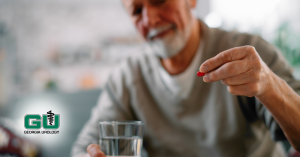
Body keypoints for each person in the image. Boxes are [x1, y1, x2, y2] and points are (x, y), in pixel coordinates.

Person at [71, 0, 300, 156]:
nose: (150, 19)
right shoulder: (127, 78)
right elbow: (85, 146)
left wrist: (270, 86)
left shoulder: (250, 53)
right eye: (137, 11)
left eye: (159, 0)